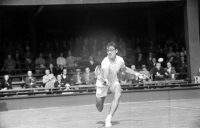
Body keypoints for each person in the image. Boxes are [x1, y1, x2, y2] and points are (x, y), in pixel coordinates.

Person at [95, 42, 147, 127]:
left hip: (113, 81)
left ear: (116, 51)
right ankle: (102, 101)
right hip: (102, 83)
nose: (109, 52)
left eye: (111, 50)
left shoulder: (120, 60)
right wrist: (105, 80)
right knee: (99, 108)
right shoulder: (105, 62)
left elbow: (124, 68)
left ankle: (109, 118)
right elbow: (104, 74)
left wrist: (137, 74)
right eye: (108, 50)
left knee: (118, 94)